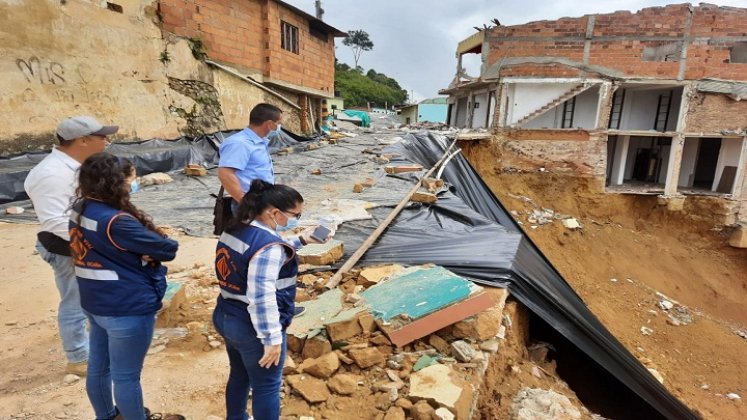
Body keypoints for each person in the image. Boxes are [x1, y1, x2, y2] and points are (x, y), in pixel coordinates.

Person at [69, 153, 182, 420]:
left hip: (95, 301)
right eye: (133, 178)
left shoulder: (80, 207)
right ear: (117, 183)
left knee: (99, 367)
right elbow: (167, 248)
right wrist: (142, 252)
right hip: (126, 306)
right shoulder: (117, 221)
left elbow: (102, 248)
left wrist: (133, 252)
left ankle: (106, 416)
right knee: (127, 376)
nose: (136, 183)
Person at [212, 180, 324, 420]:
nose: (296, 219)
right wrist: (272, 338)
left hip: (226, 314)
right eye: (296, 215)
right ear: (274, 213)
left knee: (240, 374)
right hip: (250, 327)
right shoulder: (269, 248)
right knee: (267, 387)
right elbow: (261, 297)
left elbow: (257, 253)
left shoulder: (236, 228)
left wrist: (301, 240)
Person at [24, 115, 118, 376]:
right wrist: (97, 240)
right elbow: (55, 222)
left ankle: (94, 344)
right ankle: (78, 357)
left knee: (90, 296)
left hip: (83, 243)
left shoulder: (76, 166)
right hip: (67, 248)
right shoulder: (51, 174)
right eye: (102, 137)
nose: (107, 141)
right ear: (83, 140)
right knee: (74, 301)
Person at [217, 103, 283, 206]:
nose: (279, 127)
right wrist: (246, 203)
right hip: (251, 204)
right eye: (278, 124)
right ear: (269, 124)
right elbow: (225, 174)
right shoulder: (239, 143)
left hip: (263, 202)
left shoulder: (259, 142)